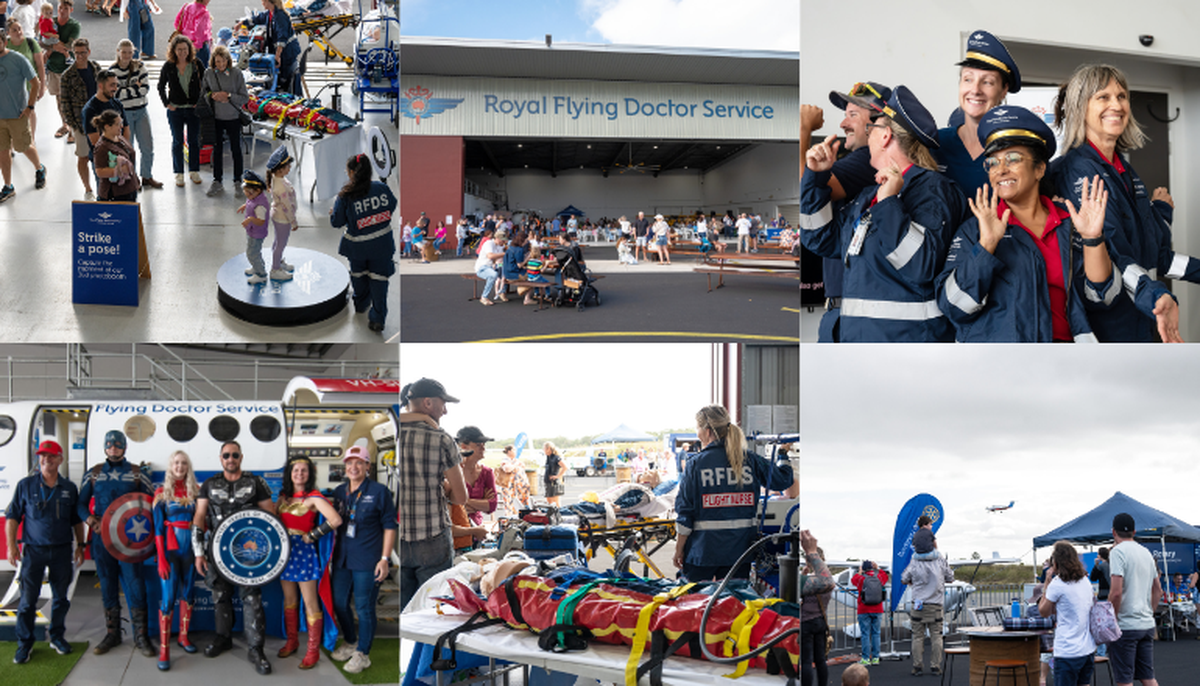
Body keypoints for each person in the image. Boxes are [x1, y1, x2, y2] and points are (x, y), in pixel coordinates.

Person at [800, 85, 967, 342]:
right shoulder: (869, 196)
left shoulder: (933, 191)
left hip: (904, 346)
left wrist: (889, 203)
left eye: (872, 128)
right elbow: (819, 238)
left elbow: (919, 265)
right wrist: (816, 178)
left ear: (886, 136)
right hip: (856, 341)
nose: (868, 135)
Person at [937, 106, 1116, 342]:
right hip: (1001, 360)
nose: (1001, 170)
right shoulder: (975, 230)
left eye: (1012, 159)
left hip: (1066, 357)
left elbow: (1103, 299)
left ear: (1040, 169)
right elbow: (954, 307)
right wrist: (986, 245)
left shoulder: (1071, 224)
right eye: (992, 162)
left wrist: (1093, 238)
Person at [1053, 64, 1194, 343]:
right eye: (1103, 97)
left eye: (1122, 96)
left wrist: (1161, 214)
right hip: (1108, 328)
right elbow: (1115, 256)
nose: (1117, 105)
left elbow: (1155, 256)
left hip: (1143, 319)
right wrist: (1156, 294)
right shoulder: (1078, 172)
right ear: (1081, 107)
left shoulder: (1123, 170)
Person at [801, 82, 893, 341]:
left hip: (853, 310)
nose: (843, 124)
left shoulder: (867, 160)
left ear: (879, 124)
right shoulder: (861, 160)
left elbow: (806, 188)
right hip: (844, 306)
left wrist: (804, 129)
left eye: (853, 115)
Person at [672, 404, 797, 581]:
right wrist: (783, 454)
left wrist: (679, 549)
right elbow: (783, 480)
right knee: (734, 598)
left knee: (696, 597)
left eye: (697, 428)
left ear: (707, 431)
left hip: (702, 551)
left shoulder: (696, 464)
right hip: (740, 553)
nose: (697, 433)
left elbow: (685, 513)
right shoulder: (750, 459)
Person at [192, 441, 275, 674]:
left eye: (235, 455)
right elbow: (199, 516)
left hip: (248, 552)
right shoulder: (209, 484)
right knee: (220, 594)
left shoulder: (255, 482)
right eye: (226, 455)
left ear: (241, 457)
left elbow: (271, 516)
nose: (231, 459)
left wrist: (267, 551)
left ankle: (256, 649)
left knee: (252, 597)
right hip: (216, 551)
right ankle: (223, 637)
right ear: (221, 458)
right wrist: (198, 552)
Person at [5, 440, 85, 664]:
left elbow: (76, 520)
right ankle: (25, 643)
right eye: (43, 455)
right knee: (27, 601)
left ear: (60, 459)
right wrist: (11, 546)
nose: (46, 459)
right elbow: (12, 517)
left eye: (51, 456)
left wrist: (81, 545)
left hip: (62, 552)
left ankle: (57, 637)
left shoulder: (69, 488)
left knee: (61, 598)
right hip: (33, 552)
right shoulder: (26, 485)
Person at [78, 429, 155, 657]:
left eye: (118, 444)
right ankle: (113, 634)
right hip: (101, 538)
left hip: (130, 540)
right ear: (105, 447)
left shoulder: (137, 473)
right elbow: (80, 504)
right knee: (107, 584)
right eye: (109, 444)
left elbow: (151, 505)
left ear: (124, 447)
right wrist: (90, 519)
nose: (113, 448)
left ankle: (141, 636)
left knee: (136, 584)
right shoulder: (93, 473)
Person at [398, 378, 467, 610]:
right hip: (433, 537)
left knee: (404, 609)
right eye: (443, 404)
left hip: (397, 539)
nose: (445, 411)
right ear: (427, 402)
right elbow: (461, 497)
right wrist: (445, 488)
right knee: (432, 609)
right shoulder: (441, 438)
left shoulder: (390, 432)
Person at [933, 30, 1022, 197]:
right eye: (968, 79)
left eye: (987, 82)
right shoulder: (935, 143)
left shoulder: (1018, 151)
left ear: (1004, 90)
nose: (975, 90)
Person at [276, 456, 342, 670]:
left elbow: (336, 519)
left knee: (310, 602)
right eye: (296, 470)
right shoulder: (283, 498)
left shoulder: (314, 497)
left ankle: (313, 651)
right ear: (290, 473)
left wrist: (313, 535)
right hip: (285, 554)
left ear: (309, 474)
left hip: (304, 553)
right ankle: (292, 641)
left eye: (303, 470)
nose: (299, 474)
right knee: (289, 600)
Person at [330, 154, 397, 332]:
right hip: (382, 246)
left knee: (358, 276)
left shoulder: (345, 196)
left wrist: (333, 212)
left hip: (357, 249)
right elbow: (391, 206)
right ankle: (377, 319)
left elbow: (337, 222)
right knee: (380, 280)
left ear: (352, 172)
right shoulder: (382, 188)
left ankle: (361, 304)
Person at [151, 450, 198, 671]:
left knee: (188, 594)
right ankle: (164, 649)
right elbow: (158, 529)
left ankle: (183, 637)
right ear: (171, 466)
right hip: (170, 553)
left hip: (191, 551)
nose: (180, 466)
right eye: (176, 463)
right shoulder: (161, 492)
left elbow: (201, 522)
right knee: (168, 599)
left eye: (184, 463)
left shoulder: (195, 491)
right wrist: (161, 558)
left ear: (188, 466)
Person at [1107, 512, 1162, 686]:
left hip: (1126, 625)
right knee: (1148, 677)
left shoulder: (1117, 552)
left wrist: (1111, 620)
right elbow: (1158, 590)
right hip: (1146, 624)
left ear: (1113, 532)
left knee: (1124, 680)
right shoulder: (1146, 553)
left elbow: (1116, 592)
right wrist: (1149, 612)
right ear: (1134, 532)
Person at [1039, 541, 1096, 686]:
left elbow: (1043, 611)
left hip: (1068, 650)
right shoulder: (1085, 581)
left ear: (1056, 562)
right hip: (1087, 648)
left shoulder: (1057, 584)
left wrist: (1046, 583)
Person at [0, 23, 44, 202]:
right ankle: (8, 186)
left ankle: (39, 168)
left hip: (17, 114)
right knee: (3, 152)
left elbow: (35, 82)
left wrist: (30, 107)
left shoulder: (18, 59)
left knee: (23, 147)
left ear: (4, 42)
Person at [110, 39, 161, 189]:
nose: (127, 55)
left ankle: (147, 176)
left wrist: (125, 90)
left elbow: (144, 89)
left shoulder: (140, 67)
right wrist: (134, 88)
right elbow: (114, 94)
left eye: (130, 52)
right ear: (118, 52)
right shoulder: (112, 71)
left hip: (141, 112)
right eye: (124, 52)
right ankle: (132, 179)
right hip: (124, 115)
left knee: (147, 146)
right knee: (127, 149)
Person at [901, 539, 954, 676]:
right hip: (936, 605)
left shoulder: (914, 561)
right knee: (936, 637)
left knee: (917, 637)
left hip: (918, 606)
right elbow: (950, 577)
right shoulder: (940, 560)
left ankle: (917, 666)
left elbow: (904, 579)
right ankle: (935, 666)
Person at [201, 45, 247, 197]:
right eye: (217, 62)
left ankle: (238, 180)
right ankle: (217, 181)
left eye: (223, 61)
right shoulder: (208, 73)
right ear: (213, 61)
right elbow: (204, 93)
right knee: (217, 150)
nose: (221, 65)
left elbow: (244, 98)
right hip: (216, 119)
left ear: (228, 60)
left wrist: (228, 95)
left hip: (233, 118)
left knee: (236, 150)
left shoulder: (237, 73)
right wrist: (212, 96)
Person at [158, 34, 202, 187]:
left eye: (185, 49)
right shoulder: (168, 65)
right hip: (175, 110)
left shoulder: (196, 63)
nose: (182, 52)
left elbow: (206, 83)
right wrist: (167, 104)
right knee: (177, 141)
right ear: (174, 50)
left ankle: (194, 170)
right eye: (179, 49)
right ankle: (179, 173)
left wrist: (200, 102)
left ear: (189, 50)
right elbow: (160, 86)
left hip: (193, 110)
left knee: (194, 141)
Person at [58, 37, 97, 199]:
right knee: (83, 157)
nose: (80, 56)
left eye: (83, 53)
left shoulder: (96, 69)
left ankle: (102, 187)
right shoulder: (67, 76)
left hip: (100, 122)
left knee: (101, 156)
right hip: (80, 124)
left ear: (89, 52)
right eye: (77, 53)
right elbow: (64, 103)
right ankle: (88, 189)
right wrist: (73, 125)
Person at [43, 0, 77, 143]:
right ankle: (65, 125)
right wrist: (53, 46)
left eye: (66, 8)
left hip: (68, 69)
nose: (62, 11)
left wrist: (52, 45)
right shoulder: (50, 21)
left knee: (71, 99)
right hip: (53, 68)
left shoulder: (74, 25)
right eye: (60, 7)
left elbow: (70, 45)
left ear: (71, 10)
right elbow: (41, 41)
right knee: (59, 99)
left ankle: (73, 129)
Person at [91, 110, 139, 201]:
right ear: (107, 126)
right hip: (115, 194)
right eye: (117, 124)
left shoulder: (120, 138)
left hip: (129, 188)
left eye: (121, 123)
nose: (121, 126)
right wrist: (119, 170)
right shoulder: (101, 147)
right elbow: (99, 171)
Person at [266, 145, 297, 281]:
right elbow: (287, 207)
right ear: (279, 169)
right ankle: (275, 269)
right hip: (283, 218)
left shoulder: (276, 178)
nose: (289, 168)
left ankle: (278, 262)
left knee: (277, 241)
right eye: (287, 166)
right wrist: (293, 221)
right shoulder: (281, 186)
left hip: (276, 215)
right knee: (281, 244)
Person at [455, 426, 497, 526]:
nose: (483, 448)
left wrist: (463, 503)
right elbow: (448, 504)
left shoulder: (486, 472)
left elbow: (492, 505)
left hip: (476, 527)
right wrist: (481, 503)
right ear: (464, 446)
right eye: (478, 445)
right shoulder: (453, 471)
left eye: (483, 445)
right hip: (456, 527)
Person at [800, 546, 830, 686]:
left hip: (806, 621)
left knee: (806, 661)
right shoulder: (827, 581)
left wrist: (802, 576)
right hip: (821, 620)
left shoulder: (809, 581)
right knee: (821, 660)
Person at [256, 0, 299, 95]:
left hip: (287, 54)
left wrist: (277, 56)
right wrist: (242, 22)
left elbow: (282, 38)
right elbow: (259, 18)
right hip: (283, 53)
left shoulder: (280, 16)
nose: (262, 3)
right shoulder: (269, 14)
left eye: (264, 1)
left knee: (284, 80)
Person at [851, 560, 889, 665]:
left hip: (864, 609)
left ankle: (866, 658)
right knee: (876, 633)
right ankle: (876, 657)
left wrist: (859, 572)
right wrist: (878, 568)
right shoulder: (879, 577)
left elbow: (853, 580)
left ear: (863, 568)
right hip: (878, 609)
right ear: (872, 568)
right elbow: (885, 576)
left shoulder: (861, 579)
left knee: (865, 634)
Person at [238, 170, 269, 284]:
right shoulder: (255, 197)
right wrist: (245, 205)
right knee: (256, 251)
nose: (247, 195)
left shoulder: (260, 206)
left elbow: (261, 221)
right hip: (252, 231)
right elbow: (250, 202)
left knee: (251, 253)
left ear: (258, 190)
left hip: (257, 233)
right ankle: (257, 267)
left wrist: (250, 219)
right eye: (245, 191)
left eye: (249, 193)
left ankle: (261, 274)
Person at [173, 0, 211, 68]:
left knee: (187, 67)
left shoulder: (187, 6)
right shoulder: (203, 12)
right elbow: (200, 30)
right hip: (199, 45)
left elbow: (177, 22)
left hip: (185, 41)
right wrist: (198, 44)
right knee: (201, 68)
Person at [474, 227, 507, 306]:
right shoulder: (489, 243)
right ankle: (484, 297)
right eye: (502, 240)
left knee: (504, 273)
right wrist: (504, 254)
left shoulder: (498, 246)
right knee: (493, 275)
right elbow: (490, 256)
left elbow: (496, 259)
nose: (504, 242)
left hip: (490, 267)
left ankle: (502, 292)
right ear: (497, 238)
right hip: (482, 267)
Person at [542, 441, 567, 507]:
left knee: (556, 503)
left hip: (554, 483)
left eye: (544, 448)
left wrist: (557, 476)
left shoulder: (556, 458)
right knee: (549, 502)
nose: (543, 450)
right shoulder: (548, 457)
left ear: (548, 448)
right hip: (548, 483)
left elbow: (565, 467)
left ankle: (560, 512)